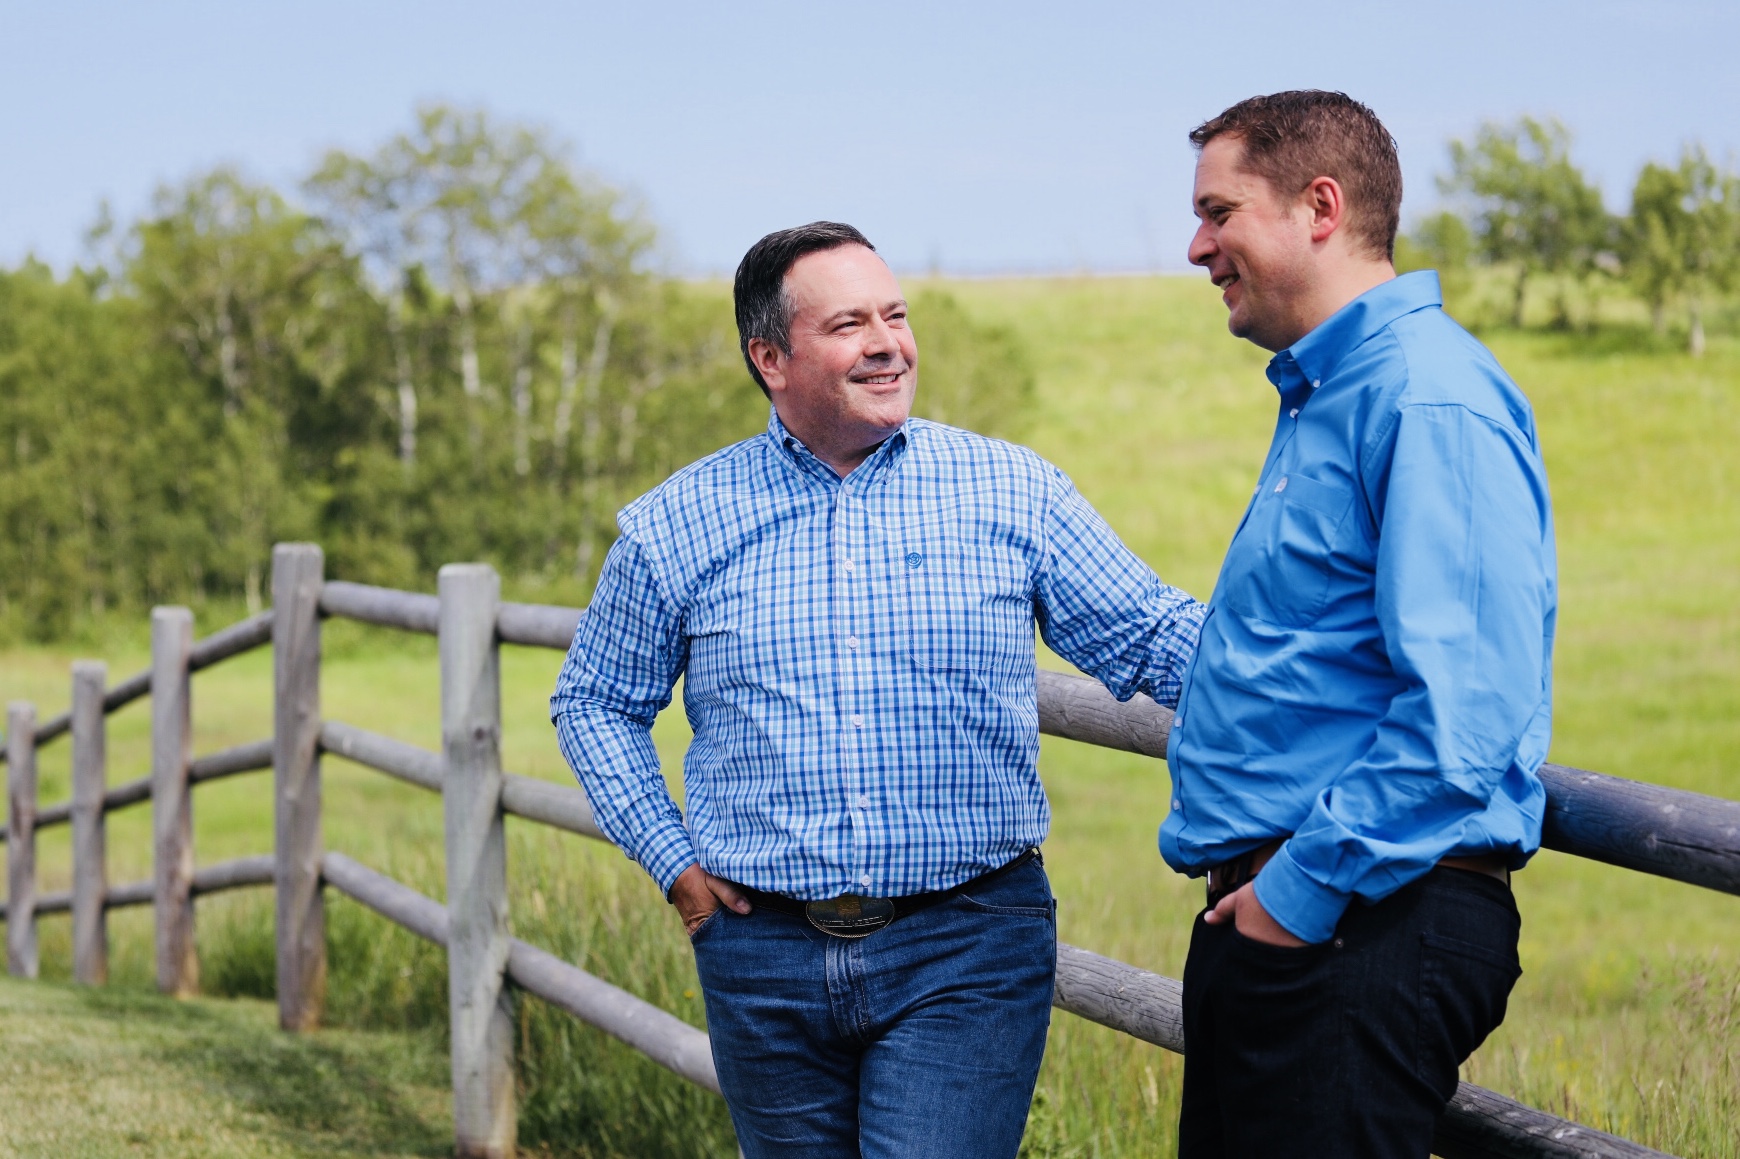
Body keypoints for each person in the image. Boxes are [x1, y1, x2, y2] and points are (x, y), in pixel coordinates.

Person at [551, 221, 1204, 1159]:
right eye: (850, 323)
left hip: (967, 942)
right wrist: (675, 864)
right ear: (770, 357)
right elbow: (596, 699)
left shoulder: (1013, 491)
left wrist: (1331, 669)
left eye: (895, 315)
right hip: (761, 954)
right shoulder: (679, 521)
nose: (888, 343)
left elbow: (1152, 633)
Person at [1166, 91, 1557, 1157]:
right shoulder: (1332, 393)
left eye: (1219, 211)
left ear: (1321, 206)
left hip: (1360, 919)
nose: (1197, 245)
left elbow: (1466, 716)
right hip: (1311, 921)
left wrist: (1293, 898)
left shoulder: (1427, 397)